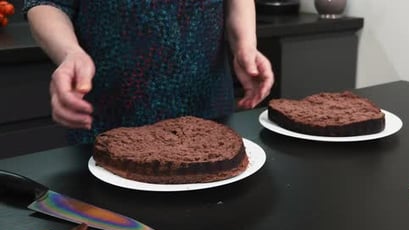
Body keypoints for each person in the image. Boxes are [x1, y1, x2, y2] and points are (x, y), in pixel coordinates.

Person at [23, 1, 274, 144]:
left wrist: (245, 45)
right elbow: (47, 3)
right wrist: (70, 53)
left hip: (209, 116)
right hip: (107, 125)